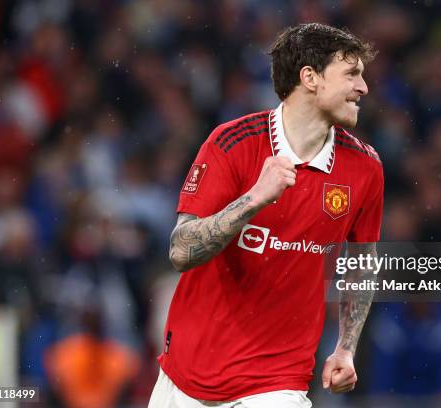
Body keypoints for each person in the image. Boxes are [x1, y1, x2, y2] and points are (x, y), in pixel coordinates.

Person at [149, 23, 383, 408]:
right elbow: (180, 250)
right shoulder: (233, 144)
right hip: (185, 378)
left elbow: (363, 261)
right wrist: (254, 199)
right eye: (351, 75)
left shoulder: (365, 167)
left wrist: (346, 347)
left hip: (278, 383)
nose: (363, 88)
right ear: (310, 78)